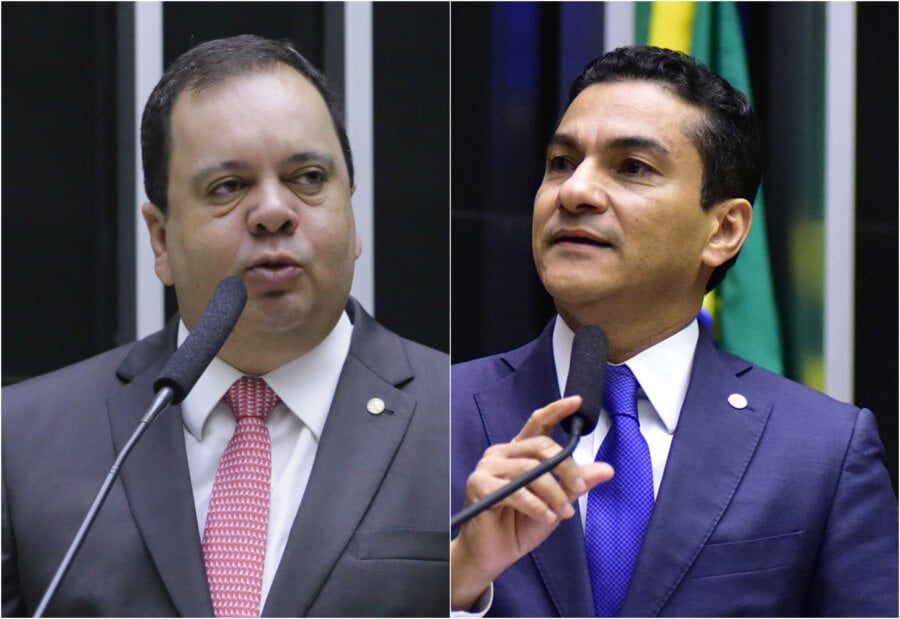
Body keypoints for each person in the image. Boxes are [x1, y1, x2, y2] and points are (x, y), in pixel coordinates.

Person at [3, 35, 448, 617]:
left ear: (352, 213)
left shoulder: (461, 419)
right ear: (160, 239)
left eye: (308, 178)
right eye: (229, 187)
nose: (273, 212)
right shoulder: (20, 441)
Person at [451, 46, 897, 617]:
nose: (574, 191)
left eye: (632, 167)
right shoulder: (433, 419)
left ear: (724, 230)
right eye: (562, 162)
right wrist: (460, 577)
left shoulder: (822, 453)